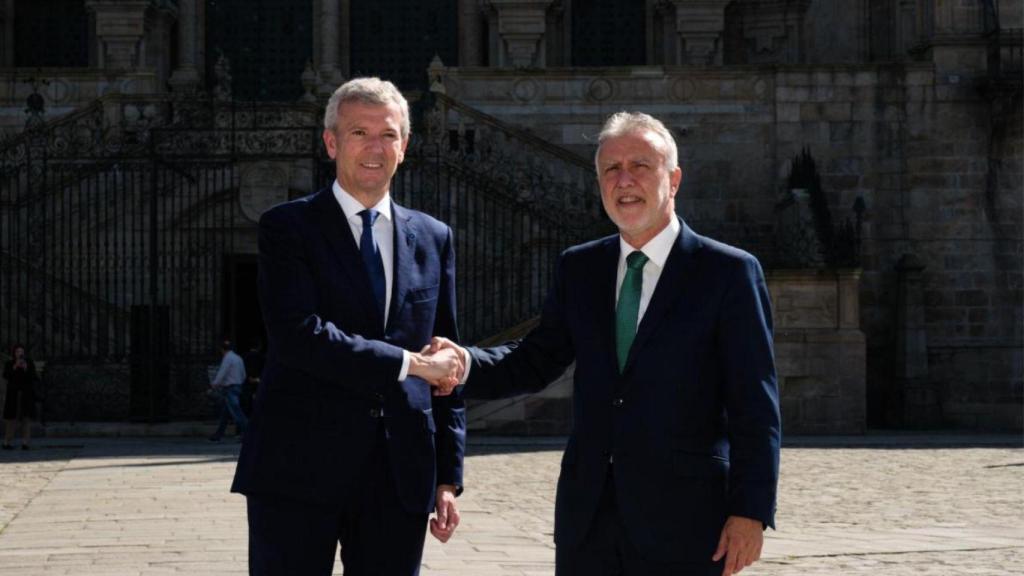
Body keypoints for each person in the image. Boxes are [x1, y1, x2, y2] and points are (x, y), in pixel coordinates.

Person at [429, 112, 781, 576]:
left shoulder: (728, 273)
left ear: (674, 180)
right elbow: (535, 359)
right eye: (611, 169)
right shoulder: (580, 268)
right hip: (588, 521)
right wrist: (464, 362)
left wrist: (750, 511)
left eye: (640, 166)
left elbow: (755, 403)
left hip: (687, 522)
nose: (624, 180)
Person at [231, 77, 467, 576]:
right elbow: (299, 335)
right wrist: (409, 364)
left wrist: (448, 476)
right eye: (360, 133)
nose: (375, 147)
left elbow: (446, 358)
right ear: (332, 143)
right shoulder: (286, 227)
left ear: (405, 146)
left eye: (388, 134)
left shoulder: (434, 237)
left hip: (399, 472)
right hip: (297, 467)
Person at [208, 339, 248, 442]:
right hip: (237, 386)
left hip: (230, 388)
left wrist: (214, 384)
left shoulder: (227, 358)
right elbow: (243, 374)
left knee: (236, 412)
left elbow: (222, 372)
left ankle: (248, 432)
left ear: (222, 349)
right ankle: (218, 434)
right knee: (225, 414)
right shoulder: (238, 358)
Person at [2, 344, 38, 450]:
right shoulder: (9, 363)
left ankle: (25, 442)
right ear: (14, 353)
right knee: (11, 418)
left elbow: (34, 377)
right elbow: (6, 375)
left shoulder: (29, 362)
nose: (19, 354)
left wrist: (26, 368)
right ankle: (7, 442)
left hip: (25, 393)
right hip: (13, 393)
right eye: (17, 351)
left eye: (21, 351)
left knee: (26, 418)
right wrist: (15, 367)